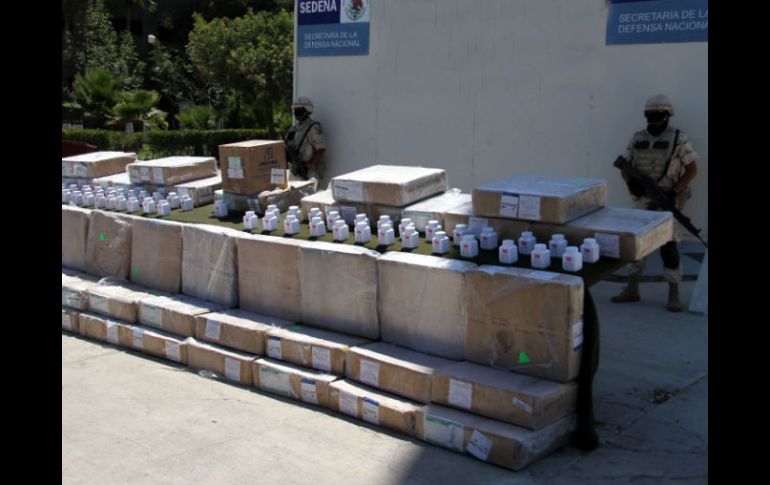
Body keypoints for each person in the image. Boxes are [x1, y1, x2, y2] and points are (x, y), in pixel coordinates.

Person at [611, 94, 699, 312]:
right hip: (643, 200)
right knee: (636, 245)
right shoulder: (637, 138)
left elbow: (692, 170)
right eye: (650, 114)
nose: (653, 118)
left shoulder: (678, 138)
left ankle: (673, 294)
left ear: (667, 115)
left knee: (668, 247)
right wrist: (631, 182)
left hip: (668, 199)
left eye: (658, 114)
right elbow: (625, 165)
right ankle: (632, 289)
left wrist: (675, 191)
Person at [283, 96, 326, 182]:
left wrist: (311, 165)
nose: (296, 112)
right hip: (294, 170)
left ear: (307, 110)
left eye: (299, 110)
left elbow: (321, 149)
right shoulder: (293, 129)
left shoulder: (313, 127)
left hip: (307, 171)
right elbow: (286, 146)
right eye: (295, 110)